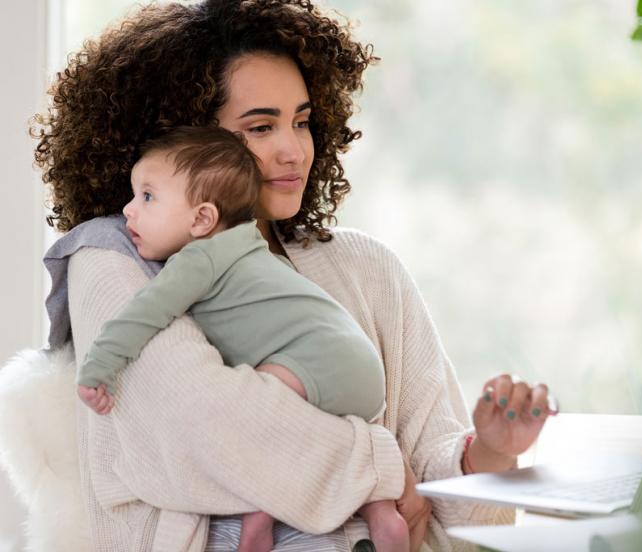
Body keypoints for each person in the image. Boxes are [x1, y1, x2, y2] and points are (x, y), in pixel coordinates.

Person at [34, 0, 558, 549]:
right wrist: (383, 462)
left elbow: (439, 500)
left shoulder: (367, 267)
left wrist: (491, 456)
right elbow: (211, 433)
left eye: (302, 122)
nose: (293, 150)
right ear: (184, 145)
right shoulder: (110, 258)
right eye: (260, 127)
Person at [74, 125, 408, 552]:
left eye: (147, 197)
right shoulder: (252, 247)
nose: (128, 211)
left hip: (316, 358)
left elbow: (142, 314)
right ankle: (383, 514)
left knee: (262, 423)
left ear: (202, 219)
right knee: (316, 428)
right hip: (360, 368)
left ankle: (258, 519)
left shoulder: (197, 259)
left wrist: (99, 367)